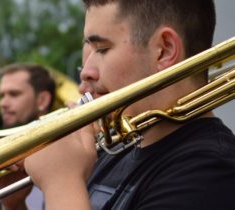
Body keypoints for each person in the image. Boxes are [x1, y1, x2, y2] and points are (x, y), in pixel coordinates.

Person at [18, 0, 235, 210]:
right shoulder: (115, 149)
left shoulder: (210, 170)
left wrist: (61, 182)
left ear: (165, 49)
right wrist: (16, 205)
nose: (85, 72)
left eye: (102, 49)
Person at [0, 63, 56, 210]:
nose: (2, 103)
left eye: (14, 94)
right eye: (2, 95)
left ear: (42, 100)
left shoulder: (62, 155)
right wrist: (13, 205)